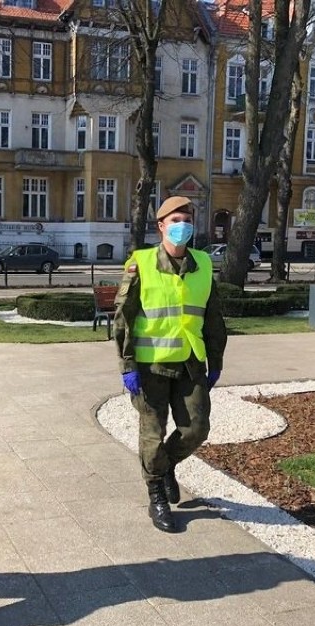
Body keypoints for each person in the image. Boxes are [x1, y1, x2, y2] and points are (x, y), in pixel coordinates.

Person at [113, 196, 227, 533]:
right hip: (150, 368)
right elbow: (124, 318)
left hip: (191, 362)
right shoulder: (142, 262)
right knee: (152, 433)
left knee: (196, 428)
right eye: (175, 220)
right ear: (161, 225)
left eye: (188, 219)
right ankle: (156, 497)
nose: (182, 226)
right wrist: (127, 364)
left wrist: (216, 359)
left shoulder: (203, 264)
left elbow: (213, 316)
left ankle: (163, 467)